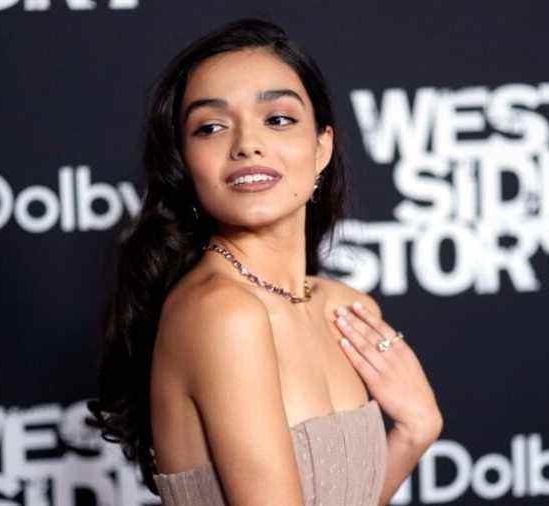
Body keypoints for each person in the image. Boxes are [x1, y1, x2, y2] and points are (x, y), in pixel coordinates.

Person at [87, 17, 443, 505]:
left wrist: (413, 433)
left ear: (322, 147)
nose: (246, 145)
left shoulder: (346, 309)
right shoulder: (221, 314)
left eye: (278, 119)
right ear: (184, 165)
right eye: (211, 127)